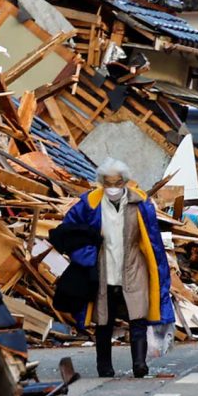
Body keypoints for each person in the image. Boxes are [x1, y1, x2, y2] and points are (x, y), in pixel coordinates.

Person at [60, 158, 173, 378]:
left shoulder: (140, 204)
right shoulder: (90, 204)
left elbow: (153, 240)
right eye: (108, 183)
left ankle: (139, 363)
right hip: (103, 268)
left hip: (133, 265)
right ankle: (104, 365)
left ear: (125, 182)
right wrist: (85, 255)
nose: (113, 187)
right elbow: (68, 230)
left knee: (137, 316)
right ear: (102, 183)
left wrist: (159, 271)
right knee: (104, 319)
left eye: (117, 182)